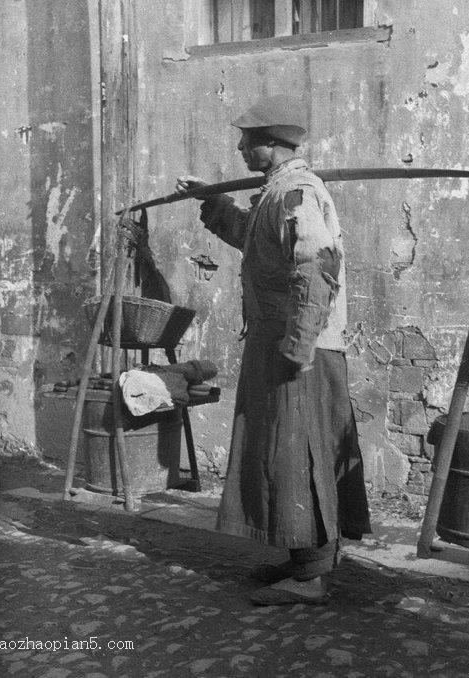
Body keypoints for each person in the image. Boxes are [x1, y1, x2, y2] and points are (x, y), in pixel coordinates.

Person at [176, 94, 370, 606]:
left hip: (298, 347)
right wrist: (212, 200)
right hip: (279, 340)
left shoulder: (299, 193)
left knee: (297, 451)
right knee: (282, 454)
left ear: (271, 145)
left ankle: (310, 576)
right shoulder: (275, 194)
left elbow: (316, 267)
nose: (240, 147)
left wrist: (299, 344)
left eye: (247, 140)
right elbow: (255, 239)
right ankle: (303, 558)